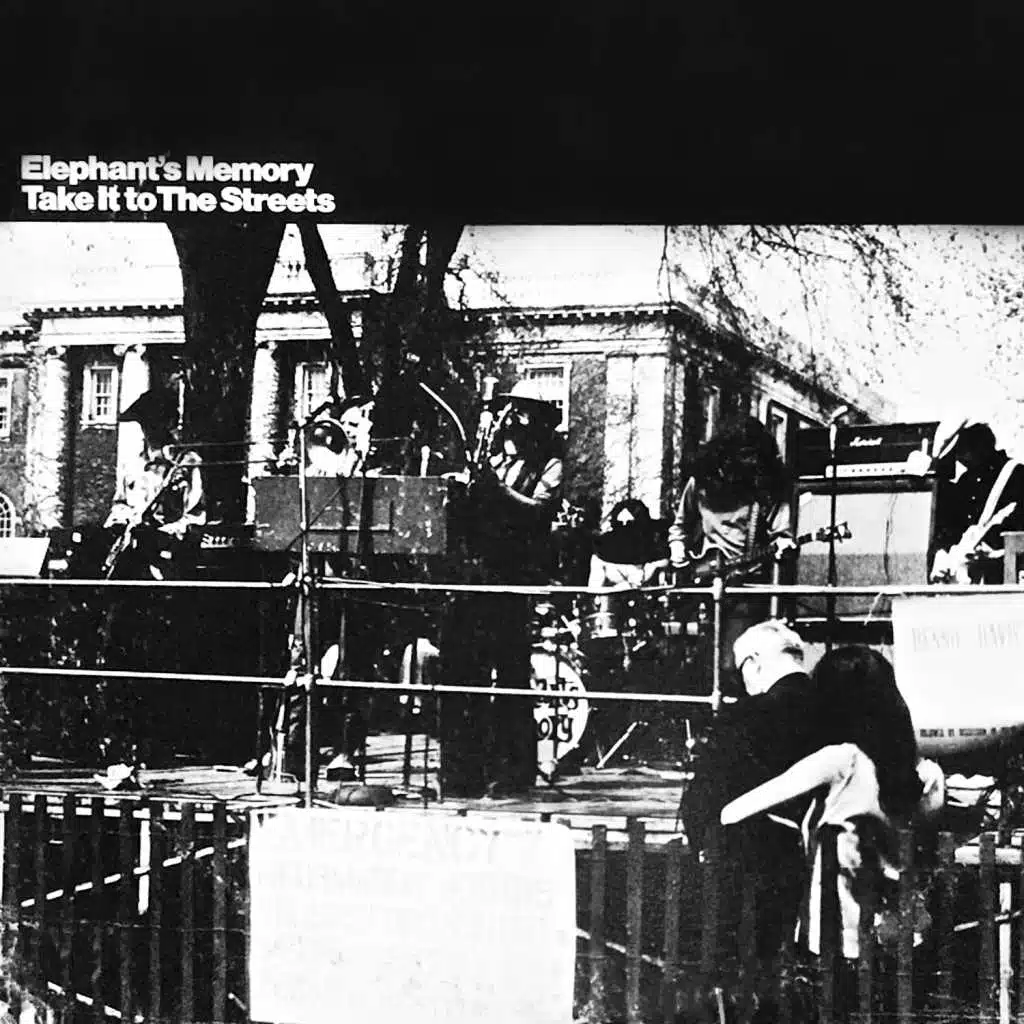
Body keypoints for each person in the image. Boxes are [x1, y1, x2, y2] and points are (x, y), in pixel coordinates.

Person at [721, 646, 942, 967]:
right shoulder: (926, 774)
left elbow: (732, 813)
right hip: (899, 940)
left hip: (834, 942)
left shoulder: (840, 761)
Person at [440, 380, 564, 799]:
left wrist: (496, 488)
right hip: (474, 575)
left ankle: (513, 771)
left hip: (513, 577)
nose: (514, 420)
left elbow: (539, 510)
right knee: (463, 672)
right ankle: (462, 771)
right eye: (512, 411)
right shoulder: (493, 458)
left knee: (509, 672)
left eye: (524, 412)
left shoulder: (549, 464)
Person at [667, 416, 796, 678]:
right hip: (703, 583)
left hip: (746, 586)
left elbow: (782, 534)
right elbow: (679, 528)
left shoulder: (765, 488)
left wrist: (783, 544)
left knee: (732, 662)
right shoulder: (700, 483)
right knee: (700, 662)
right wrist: (678, 552)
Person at [103, 386, 205, 579]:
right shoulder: (132, 464)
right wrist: (125, 520)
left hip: (168, 559)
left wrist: (162, 534)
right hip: (130, 555)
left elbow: (195, 517)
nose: (150, 428)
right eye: (144, 422)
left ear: (169, 422)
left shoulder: (187, 463)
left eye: (156, 421)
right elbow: (119, 505)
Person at [928, 419, 1024, 584]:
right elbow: (951, 526)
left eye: (961, 451)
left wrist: (989, 545)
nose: (959, 459)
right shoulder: (966, 481)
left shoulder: (1018, 475)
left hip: (1004, 577)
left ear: (979, 447)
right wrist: (942, 552)